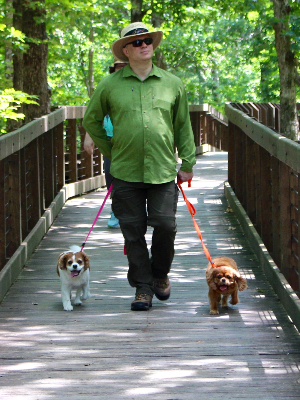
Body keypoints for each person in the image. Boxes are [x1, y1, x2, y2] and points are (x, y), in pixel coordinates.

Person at [83, 22, 196, 311]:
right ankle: (143, 288)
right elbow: (91, 121)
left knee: (166, 225)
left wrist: (187, 162)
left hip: (162, 170)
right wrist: (112, 151)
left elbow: (183, 125)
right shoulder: (110, 85)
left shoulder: (173, 83)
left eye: (147, 40)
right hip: (124, 171)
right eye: (136, 42)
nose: (143, 45)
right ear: (125, 50)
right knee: (132, 232)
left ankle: (160, 275)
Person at [84, 59, 128, 228]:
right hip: (110, 141)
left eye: (123, 67)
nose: (120, 71)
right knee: (111, 175)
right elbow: (95, 115)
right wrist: (90, 137)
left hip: (131, 142)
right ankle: (116, 210)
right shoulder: (107, 88)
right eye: (117, 68)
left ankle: (135, 211)